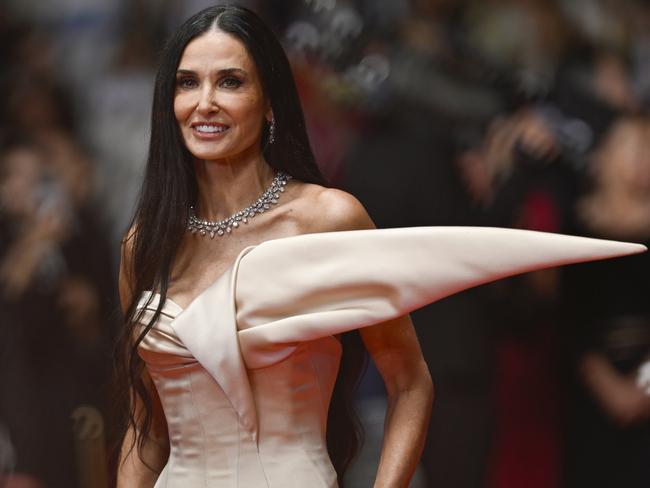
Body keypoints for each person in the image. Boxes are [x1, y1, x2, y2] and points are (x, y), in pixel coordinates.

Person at [113, 5, 644, 488]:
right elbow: (146, 428)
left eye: (229, 82)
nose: (205, 102)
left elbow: (411, 384)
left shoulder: (328, 218)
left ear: (270, 102)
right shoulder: (146, 241)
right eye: (187, 83)